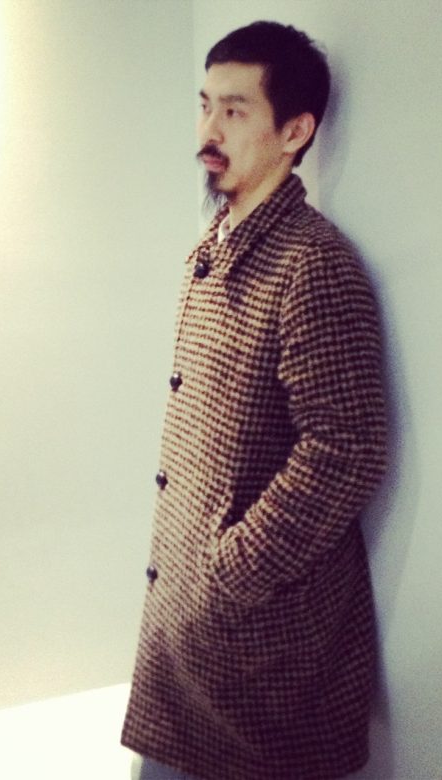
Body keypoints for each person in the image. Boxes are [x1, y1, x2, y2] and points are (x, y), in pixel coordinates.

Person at [121, 21, 388, 780]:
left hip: (262, 663)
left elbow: (347, 450)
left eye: (235, 111)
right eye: (205, 104)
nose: (208, 131)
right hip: (189, 643)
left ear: (295, 132)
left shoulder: (312, 265)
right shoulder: (214, 248)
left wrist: (228, 572)